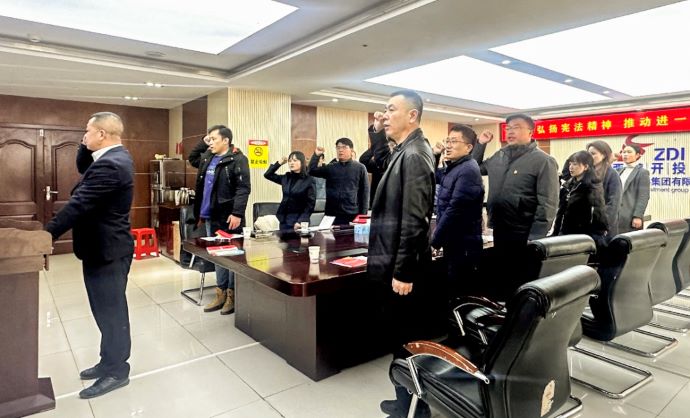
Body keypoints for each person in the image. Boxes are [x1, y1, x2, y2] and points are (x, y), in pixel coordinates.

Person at [45, 112, 133, 399]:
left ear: (102, 134)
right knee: (103, 312)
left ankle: (117, 371)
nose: (83, 137)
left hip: (108, 251)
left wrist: (47, 235)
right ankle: (107, 361)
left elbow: (79, 204)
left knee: (112, 314)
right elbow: (83, 166)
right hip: (100, 249)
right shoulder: (109, 158)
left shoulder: (112, 164)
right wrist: (85, 144)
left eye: (87, 132)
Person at [369, 90, 436, 418]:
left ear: (412, 115)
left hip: (404, 267)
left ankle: (414, 408)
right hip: (395, 259)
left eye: (391, 109)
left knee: (407, 339)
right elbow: (381, 161)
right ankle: (404, 401)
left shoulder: (415, 155)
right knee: (399, 336)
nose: (385, 115)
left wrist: (404, 271)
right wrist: (377, 133)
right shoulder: (405, 150)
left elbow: (415, 218)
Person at [472, 114, 559, 299]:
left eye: (516, 127)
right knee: (503, 273)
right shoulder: (500, 156)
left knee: (521, 277)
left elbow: (548, 201)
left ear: (530, 132)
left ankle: (521, 311)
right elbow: (474, 167)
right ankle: (503, 308)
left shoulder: (543, 160)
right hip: (500, 226)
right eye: (508, 128)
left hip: (524, 231)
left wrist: (536, 235)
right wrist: (481, 144)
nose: (510, 132)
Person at [192, 124, 251, 315]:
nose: (210, 143)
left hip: (229, 217)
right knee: (218, 256)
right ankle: (221, 292)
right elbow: (192, 158)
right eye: (209, 139)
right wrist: (204, 142)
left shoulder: (238, 159)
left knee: (232, 256)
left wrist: (237, 213)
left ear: (226, 140)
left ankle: (232, 295)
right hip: (210, 216)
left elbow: (243, 188)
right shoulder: (208, 158)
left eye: (214, 139)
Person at [431, 124, 484, 297]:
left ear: (468, 147)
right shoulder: (454, 167)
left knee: (460, 291)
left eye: (454, 141)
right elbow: (433, 177)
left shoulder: (468, 170)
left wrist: (435, 241)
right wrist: (436, 155)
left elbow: (456, 209)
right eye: (448, 141)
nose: (448, 145)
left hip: (464, 244)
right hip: (453, 241)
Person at [308, 137, 369, 225]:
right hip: (331, 214)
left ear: (351, 150)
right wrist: (316, 155)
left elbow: (365, 193)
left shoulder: (360, 168)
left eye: (344, 147)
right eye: (338, 148)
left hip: (352, 213)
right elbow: (311, 171)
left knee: (351, 234)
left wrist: (362, 217)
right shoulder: (331, 167)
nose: (340, 150)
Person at [552, 151, 608, 244]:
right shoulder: (568, 185)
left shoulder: (592, 187)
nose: (571, 167)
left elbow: (598, 214)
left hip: (581, 236)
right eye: (570, 164)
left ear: (586, 167)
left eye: (575, 164)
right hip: (563, 232)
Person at [263, 151, 316, 233]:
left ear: (302, 162)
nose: (291, 163)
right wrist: (279, 163)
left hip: (298, 221)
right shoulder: (286, 177)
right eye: (290, 161)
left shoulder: (309, 180)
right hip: (283, 219)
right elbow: (267, 175)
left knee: (297, 241)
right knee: (283, 240)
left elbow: (310, 204)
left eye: (295, 160)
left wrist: (301, 221)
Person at [587, 140, 622, 236]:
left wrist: (603, 224)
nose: (589, 157)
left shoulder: (612, 175)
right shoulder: (586, 173)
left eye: (593, 154)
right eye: (588, 154)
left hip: (603, 228)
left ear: (603, 155)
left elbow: (614, 204)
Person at [360, 111, 395, 206]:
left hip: (392, 201)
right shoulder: (377, 164)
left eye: (393, 146)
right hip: (376, 198)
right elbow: (363, 160)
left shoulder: (399, 161)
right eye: (389, 145)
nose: (390, 148)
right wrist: (375, 147)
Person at [617, 143, 650, 233]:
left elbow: (643, 196)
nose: (625, 154)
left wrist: (638, 216)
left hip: (630, 216)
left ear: (637, 155)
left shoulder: (642, 172)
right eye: (624, 152)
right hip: (616, 216)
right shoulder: (618, 171)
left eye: (629, 152)